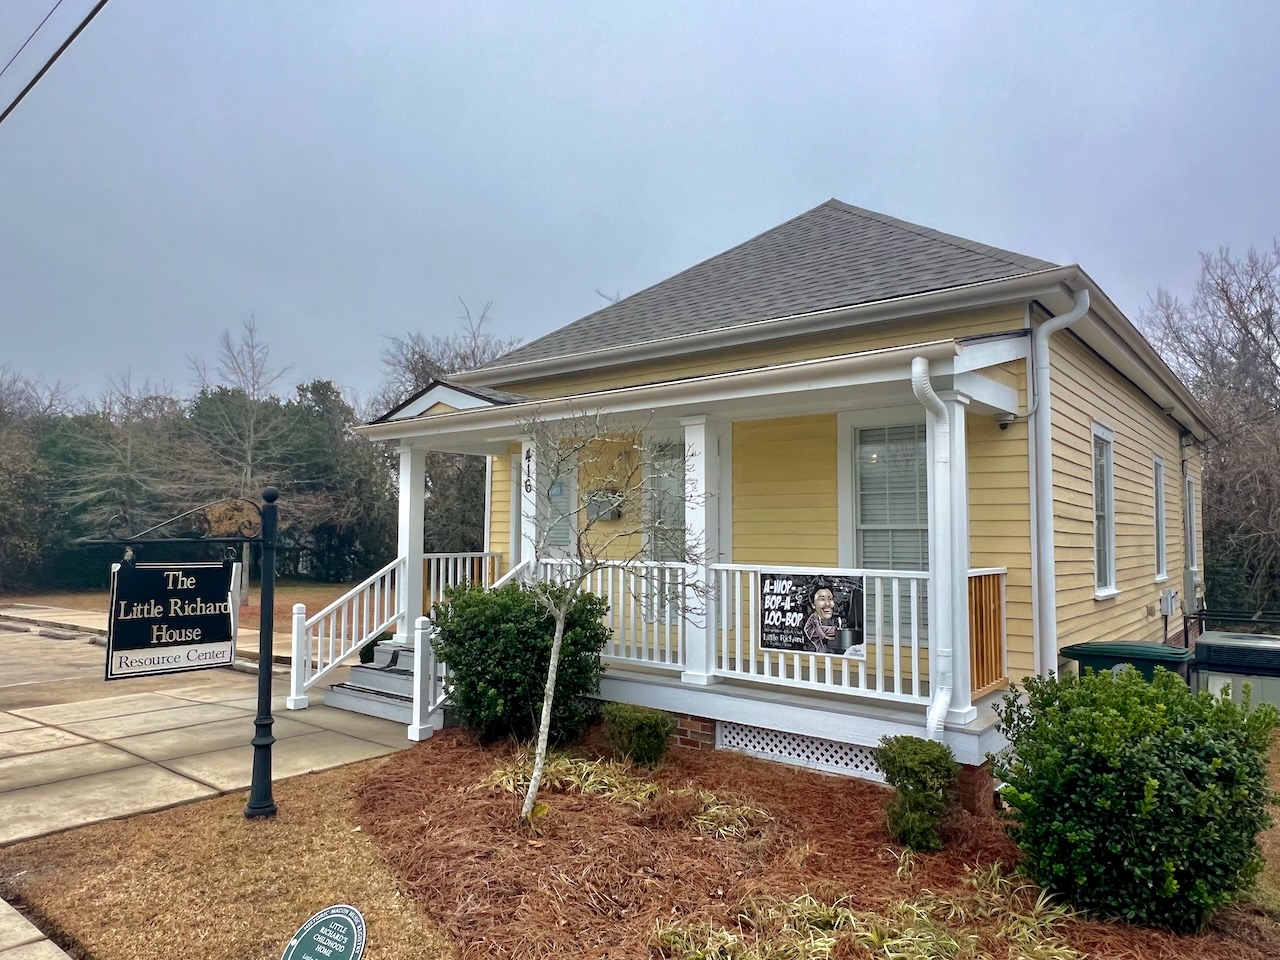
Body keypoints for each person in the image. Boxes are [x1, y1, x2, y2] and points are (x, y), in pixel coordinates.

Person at [803, 582, 841, 652]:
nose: (827, 603)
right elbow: (817, 627)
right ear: (813, 605)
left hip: (816, 631)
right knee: (822, 638)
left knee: (827, 632)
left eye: (830, 599)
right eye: (822, 599)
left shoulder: (820, 616)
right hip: (811, 631)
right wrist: (824, 636)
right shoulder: (814, 616)